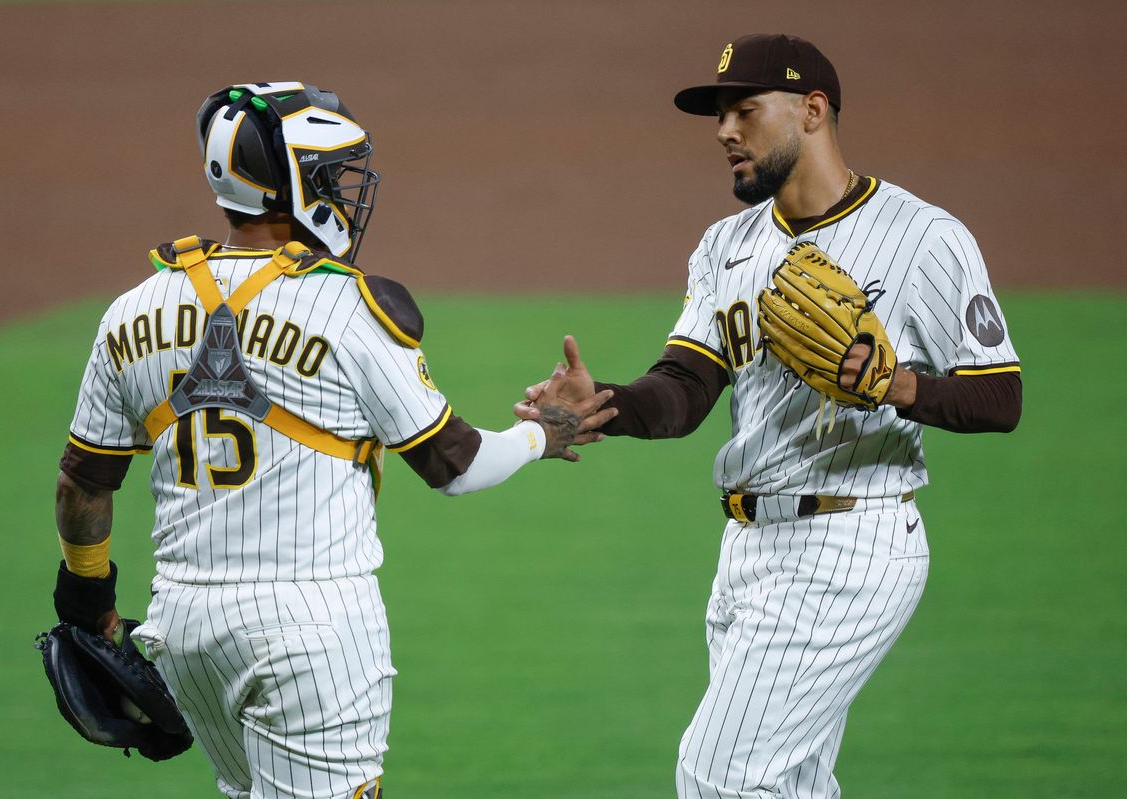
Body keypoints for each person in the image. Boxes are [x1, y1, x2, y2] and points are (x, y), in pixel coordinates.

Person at [50, 82, 613, 799]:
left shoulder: (132, 310)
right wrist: (543, 432)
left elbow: (83, 484)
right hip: (309, 630)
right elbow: (456, 466)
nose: (345, 194)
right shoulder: (349, 306)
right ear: (292, 187)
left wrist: (88, 602)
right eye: (330, 178)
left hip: (181, 627)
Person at [517, 35, 1022, 798]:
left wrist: (899, 386)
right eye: (719, 115)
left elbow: (999, 398)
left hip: (852, 542)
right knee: (787, 783)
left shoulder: (925, 239)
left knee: (718, 773)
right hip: (749, 551)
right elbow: (684, 388)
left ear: (813, 111)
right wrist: (604, 406)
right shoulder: (727, 245)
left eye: (745, 111)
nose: (725, 131)